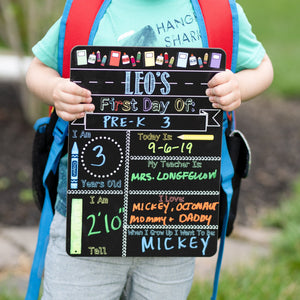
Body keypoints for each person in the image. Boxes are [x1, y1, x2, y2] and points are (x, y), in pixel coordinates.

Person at [26, 0, 273, 299]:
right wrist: (56, 90)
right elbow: (38, 68)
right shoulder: (86, 9)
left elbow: (262, 67)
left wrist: (239, 87)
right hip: (87, 213)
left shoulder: (218, 11)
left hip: (176, 220)